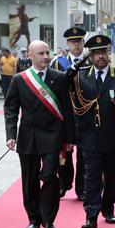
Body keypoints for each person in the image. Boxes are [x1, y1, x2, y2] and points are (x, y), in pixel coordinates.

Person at [68, 34, 115, 228]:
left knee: (111, 176)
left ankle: (108, 207)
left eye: (103, 52)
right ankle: (91, 216)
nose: (100, 57)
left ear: (109, 54)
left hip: (114, 137)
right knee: (91, 177)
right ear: (90, 56)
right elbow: (67, 89)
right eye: (96, 53)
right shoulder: (80, 76)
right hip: (89, 137)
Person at [4, 40, 74, 228]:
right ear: (30, 56)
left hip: (53, 136)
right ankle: (33, 218)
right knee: (29, 180)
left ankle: (48, 219)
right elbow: (10, 109)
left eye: (47, 53)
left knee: (50, 177)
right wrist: (10, 135)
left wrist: (69, 139)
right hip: (28, 136)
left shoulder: (59, 78)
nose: (46, 57)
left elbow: (67, 110)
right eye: (41, 54)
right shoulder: (20, 79)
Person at [51, 27, 90, 201]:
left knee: (84, 154)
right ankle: (63, 184)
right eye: (73, 42)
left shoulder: (91, 62)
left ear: (83, 43)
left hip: (85, 115)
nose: (76, 45)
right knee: (64, 154)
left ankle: (81, 188)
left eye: (79, 41)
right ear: (67, 44)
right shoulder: (58, 63)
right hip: (65, 115)